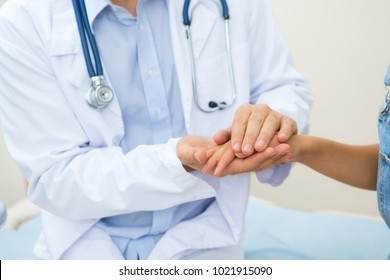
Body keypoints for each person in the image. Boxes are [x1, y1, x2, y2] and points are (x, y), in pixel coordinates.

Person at [0, 0, 312, 259]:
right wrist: (174, 160)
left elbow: (282, 87)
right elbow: (55, 176)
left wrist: (272, 121)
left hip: (208, 238)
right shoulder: (21, 20)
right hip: (87, 244)